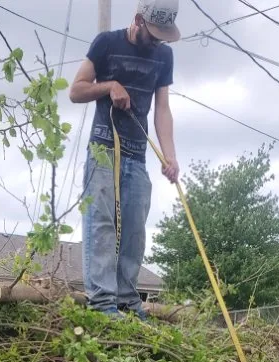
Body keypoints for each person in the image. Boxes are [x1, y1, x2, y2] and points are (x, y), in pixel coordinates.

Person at [69, 0, 180, 320]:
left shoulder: (164, 55)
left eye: (163, 37)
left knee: (134, 229)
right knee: (101, 223)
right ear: (138, 21)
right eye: (154, 35)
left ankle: (127, 301)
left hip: (137, 152)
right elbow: (76, 91)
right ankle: (103, 302)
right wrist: (109, 86)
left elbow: (162, 109)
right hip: (103, 148)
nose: (157, 42)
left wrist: (169, 155)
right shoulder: (106, 43)